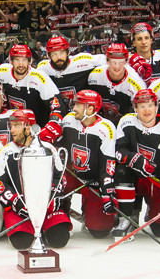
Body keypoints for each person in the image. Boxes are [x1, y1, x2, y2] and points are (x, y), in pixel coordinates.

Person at [0, 109, 70, 249]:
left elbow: (61, 177)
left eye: (16, 125)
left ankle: (43, 229)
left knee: (60, 239)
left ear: (28, 127)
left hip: (46, 206)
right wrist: (18, 202)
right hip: (20, 208)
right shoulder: (5, 152)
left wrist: (52, 197)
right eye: (11, 126)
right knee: (22, 242)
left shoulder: (48, 149)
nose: (12, 130)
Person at [112, 89, 160, 240]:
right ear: (135, 108)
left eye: (150, 105)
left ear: (157, 107)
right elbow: (118, 149)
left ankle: (158, 208)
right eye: (142, 106)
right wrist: (132, 158)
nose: (146, 110)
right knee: (122, 171)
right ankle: (127, 216)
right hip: (138, 176)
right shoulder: (127, 121)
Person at [60, 90, 117, 238]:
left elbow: (108, 163)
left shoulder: (106, 128)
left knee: (100, 231)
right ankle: (61, 209)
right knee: (55, 184)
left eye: (79, 104)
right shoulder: (68, 120)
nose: (74, 108)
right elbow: (59, 147)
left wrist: (107, 192)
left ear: (90, 109)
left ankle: (89, 207)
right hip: (72, 174)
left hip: (94, 179)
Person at [0, 44, 64, 142]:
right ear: (11, 61)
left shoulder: (39, 78)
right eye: (17, 60)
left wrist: (52, 126)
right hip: (14, 130)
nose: (21, 64)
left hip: (38, 131)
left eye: (24, 60)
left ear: (30, 61)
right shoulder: (2, 73)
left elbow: (58, 105)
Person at [36, 36, 105, 108]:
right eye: (54, 54)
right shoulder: (43, 68)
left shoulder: (83, 61)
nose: (59, 57)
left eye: (62, 52)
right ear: (49, 55)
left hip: (81, 111)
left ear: (68, 51)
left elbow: (107, 60)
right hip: (57, 112)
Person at [87, 43, 146, 124]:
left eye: (121, 62)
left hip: (125, 124)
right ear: (107, 61)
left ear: (126, 62)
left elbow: (140, 115)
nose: (117, 67)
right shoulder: (95, 75)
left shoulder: (137, 84)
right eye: (113, 62)